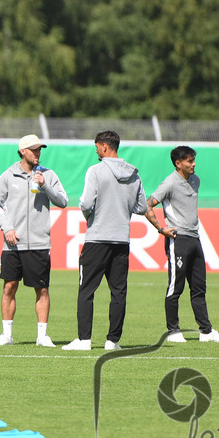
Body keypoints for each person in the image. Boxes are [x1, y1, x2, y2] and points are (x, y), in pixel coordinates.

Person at [63, 131, 164, 351]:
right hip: (121, 240)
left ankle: (84, 340)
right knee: (118, 291)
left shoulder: (96, 170)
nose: (96, 151)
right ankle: (113, 341)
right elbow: (140, 207)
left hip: (97, 238)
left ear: (105, 147)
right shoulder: (134, 174)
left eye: (97, 147)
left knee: (86, 290)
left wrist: (91, 217)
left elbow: (86, 203)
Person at [0, 134, 68, 347]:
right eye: (34, 149)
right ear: (22, 151)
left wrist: (45, 186)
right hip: (13, 244)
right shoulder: (8, 175)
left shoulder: (48, 174)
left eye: (40, 149)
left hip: (40, 243)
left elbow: (63, 201)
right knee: (9, 287)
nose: (38, 153)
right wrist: (7, 228)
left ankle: (42, 336)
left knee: (41, 289)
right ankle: (6, 335)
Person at [149, 146, 219, 344]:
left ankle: (206, 331)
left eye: (194, 160)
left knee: (199, 287)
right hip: (178, 239)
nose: (194, 164)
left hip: (195, 238)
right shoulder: (169, 183)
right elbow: (148, 204)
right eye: (189, 161)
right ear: (178, 163)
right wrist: (162, 229)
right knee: (175, 287)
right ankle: (173, 330)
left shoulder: (195, 180)